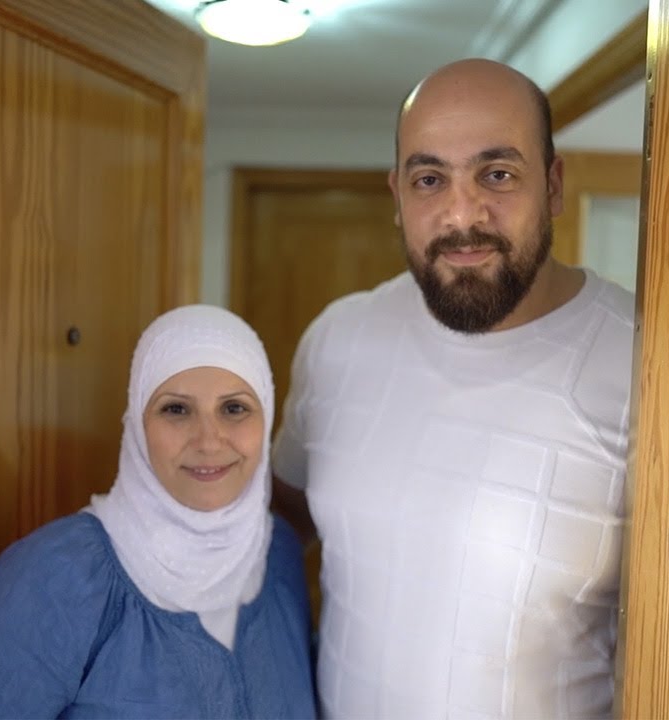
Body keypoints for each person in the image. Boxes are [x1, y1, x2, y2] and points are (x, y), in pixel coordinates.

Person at [272, 58, 635, 718]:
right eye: (430, 179)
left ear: (553, 185)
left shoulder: (643, 362)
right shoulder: (337, 339)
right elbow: (280, 521)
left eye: (497, 174)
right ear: (398, 196)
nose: (463, 214)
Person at [0, 305, 316, 719]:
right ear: (137, 424)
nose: (209, 441)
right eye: (176, 409)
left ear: (266, 417)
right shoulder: (47, 580)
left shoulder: (278, 554)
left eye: (234, 408)